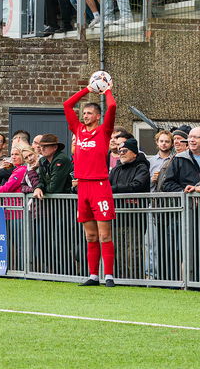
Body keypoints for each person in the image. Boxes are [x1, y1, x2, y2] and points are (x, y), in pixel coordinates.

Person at [58, 79, 118, 287]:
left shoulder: (104, 131)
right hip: (82, 186)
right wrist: (86, 90)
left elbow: (112, 106)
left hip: (100, 185)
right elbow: (67, 105)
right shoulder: (78, 130)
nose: (85, 116)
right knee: (90, 236)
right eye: (84, 113)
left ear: (98, 116)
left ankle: (108, 275)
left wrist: (106, 89)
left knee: (104, 234)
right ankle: (93, 275)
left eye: (89, 113)